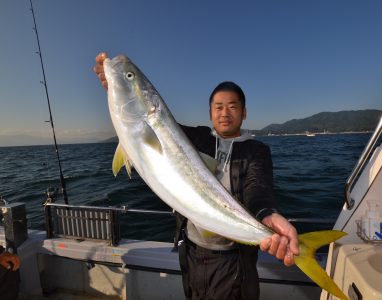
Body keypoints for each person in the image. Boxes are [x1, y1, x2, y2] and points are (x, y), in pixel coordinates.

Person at [94, 53, 299, 300]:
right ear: (210, 112)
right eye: (218, 106)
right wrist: (116, 86)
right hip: (191, 253)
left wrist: (267, 213)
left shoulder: (257, 151)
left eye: (232, 106)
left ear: (244, 112)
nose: (225, 113)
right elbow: (161, 127)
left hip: (234, 260)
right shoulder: (197, 138)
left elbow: (258, 187)